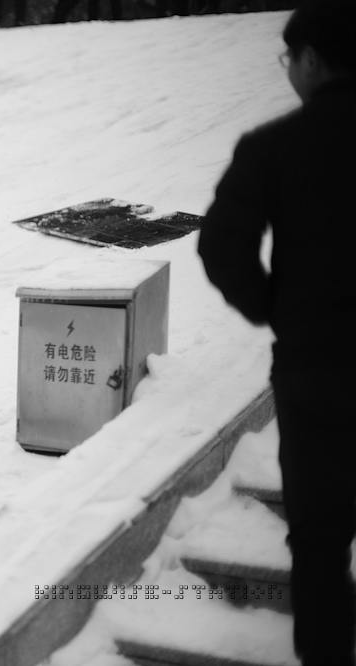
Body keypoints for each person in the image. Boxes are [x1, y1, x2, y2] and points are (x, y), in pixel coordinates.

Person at [197, 1, 356, 664]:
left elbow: (221, 245)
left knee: (319, 544)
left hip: (315, 373)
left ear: (311, 59)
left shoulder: (275, 146)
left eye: (289, 58)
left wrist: (275, 309)